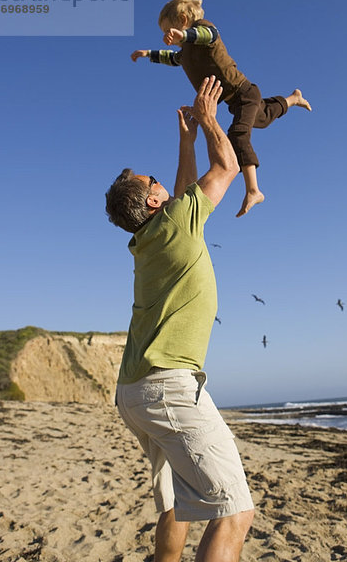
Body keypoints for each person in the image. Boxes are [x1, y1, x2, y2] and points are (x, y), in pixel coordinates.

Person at [105, 76, 254, 562]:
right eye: (155, 182)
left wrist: (185, 140)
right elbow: (227, 166)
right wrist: (209, 120)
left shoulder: (147, 239)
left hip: (133, 391)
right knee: (233, 513)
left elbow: (186, 191)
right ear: (153, 200)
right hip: (168, 386)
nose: (163, 184)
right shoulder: (174, 222)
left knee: (175, 506)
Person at [131, 0, 312, 217]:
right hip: (233, 101)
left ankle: (254, 190)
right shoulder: (184, 52)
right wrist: (148, 53)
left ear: (183, 21)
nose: (168, 37)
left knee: (237, 134)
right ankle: (293, 98)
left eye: (168, 31)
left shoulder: (203, 32)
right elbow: (172, 58)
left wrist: (184, 36)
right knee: (264, 117)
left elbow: (209, 34)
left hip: (244, 92)